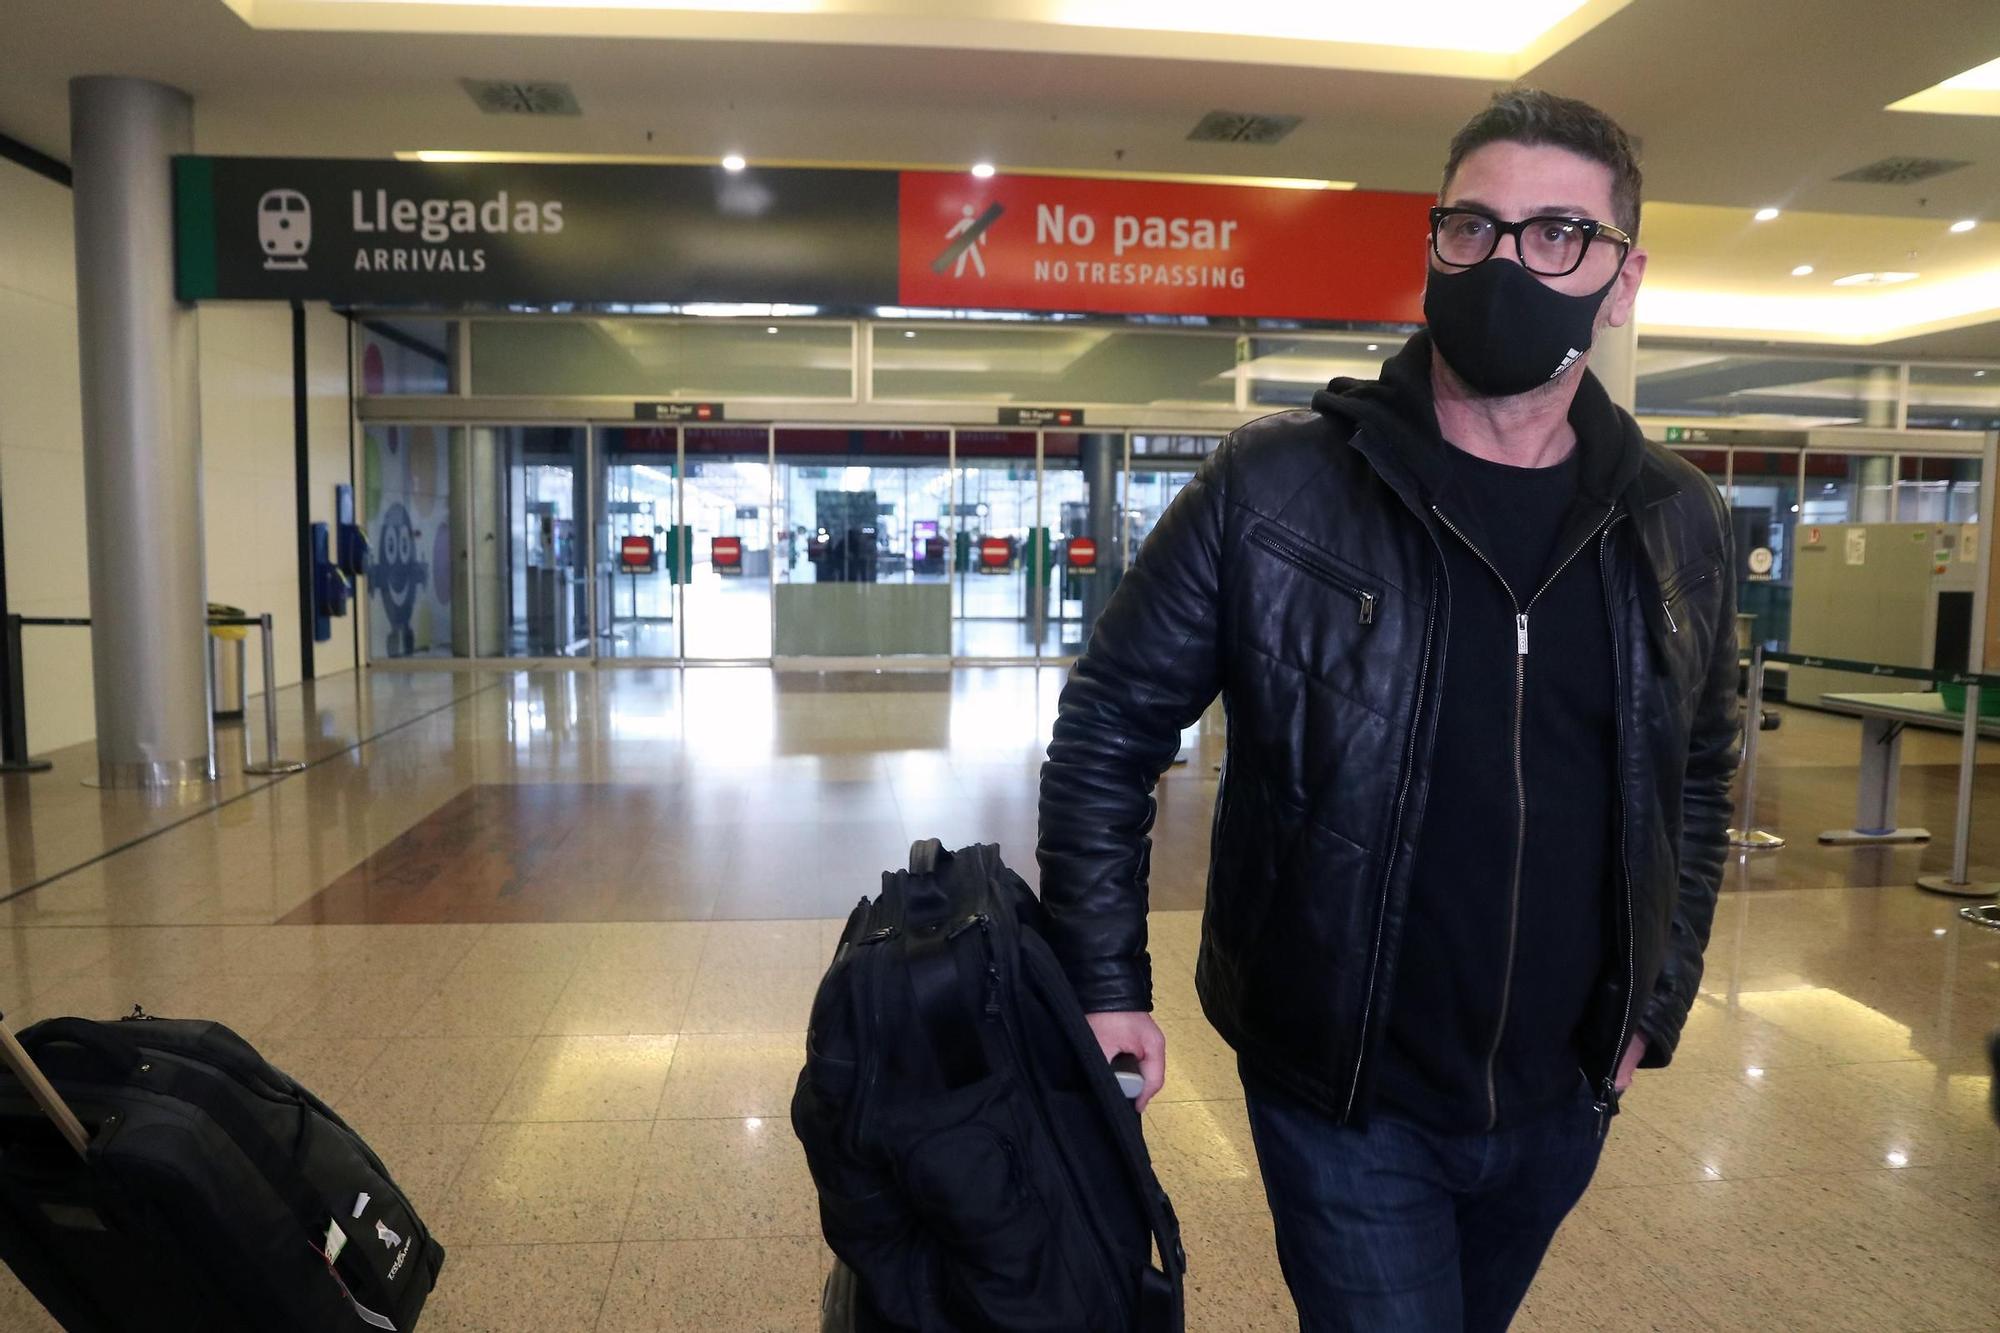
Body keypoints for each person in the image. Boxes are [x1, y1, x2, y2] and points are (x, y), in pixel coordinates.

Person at [1038, 88, 1738, 1332]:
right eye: (1471, 227)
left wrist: (1656, 994)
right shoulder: (1275, 489)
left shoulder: (1675, 518)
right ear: (1434, 245)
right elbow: (1107, 731)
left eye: (1555, 234)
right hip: (1343, 1085)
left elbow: (1693, 771)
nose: (1505, 260)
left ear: (1620, 281)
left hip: (1562, 1092)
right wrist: (1102, 979)